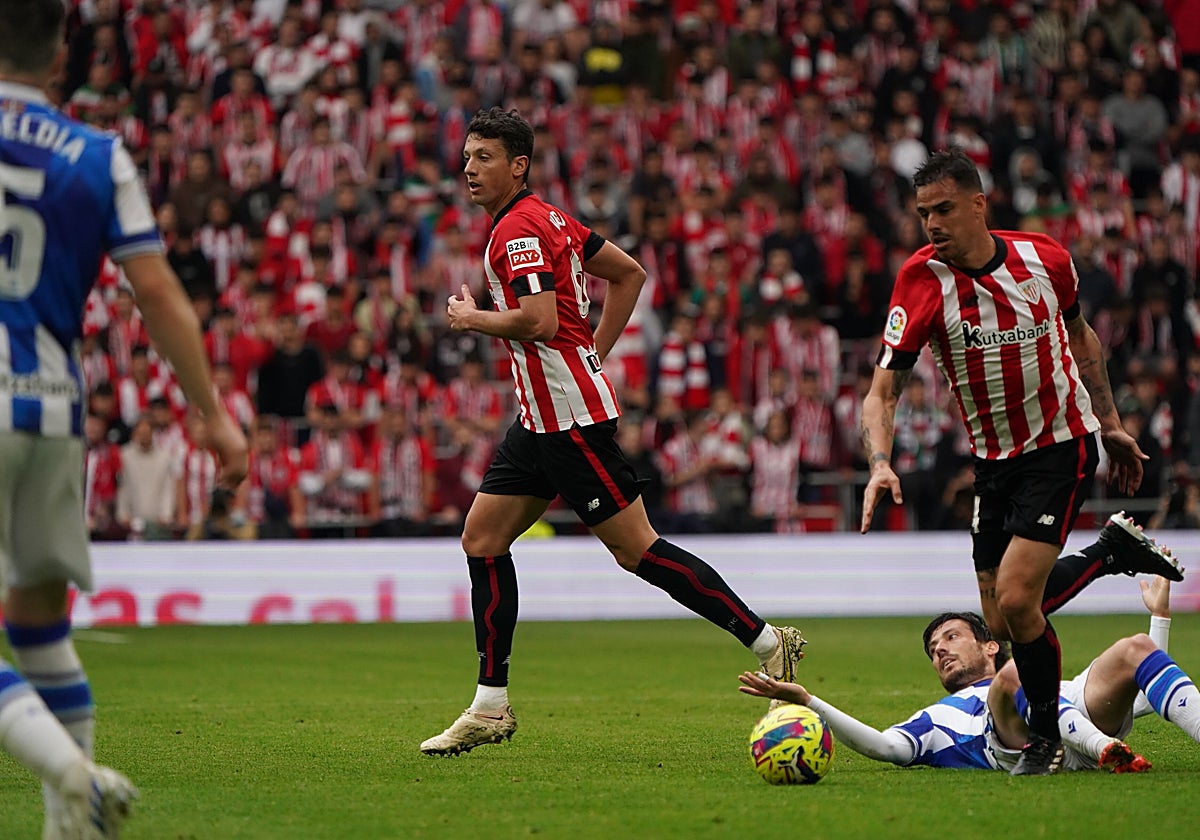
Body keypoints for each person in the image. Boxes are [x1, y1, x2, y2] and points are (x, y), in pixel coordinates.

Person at [419, 108, 806, 756]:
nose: (468, 169)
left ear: (518, 165)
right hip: (540, 418)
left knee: (638, 551)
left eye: (482, 157)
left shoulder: (516, 231)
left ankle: (770, 641)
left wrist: (472, 318)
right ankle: (490, 706)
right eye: (466, 158)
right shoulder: (553, 218)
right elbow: (629, 274)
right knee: (482, 538)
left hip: (568, 422)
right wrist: (592, 352)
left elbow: (540, 322)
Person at [0, 3, 248, 837]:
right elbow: (157, 292)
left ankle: (74, 773)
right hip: (56, 416)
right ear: (63, 51)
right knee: (38, 627)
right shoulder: (99, 156)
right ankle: (71, 827)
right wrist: (211, 416)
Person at [858, 148, 1184, 775]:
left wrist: (1109, 423)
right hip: (992, 460)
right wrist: (879, 460)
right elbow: (883, 390)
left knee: (1015, 597)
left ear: (979, 205)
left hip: (1059, 445)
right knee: (996, 619)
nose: (932, 225)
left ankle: (1044, 738)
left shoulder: (1045, 260)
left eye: (945, 210)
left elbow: (1082, 338)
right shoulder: (920, 280)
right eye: (924, 213)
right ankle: (1108, 555)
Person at [738, 576, 1200, 773]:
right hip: (1015, 741)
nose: (940, 650)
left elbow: (1142, 698)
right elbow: (884, 747)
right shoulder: (936, 718)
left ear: (988, 644)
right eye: (934, 650)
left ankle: (1100, 746)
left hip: (1072, 711)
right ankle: (1105, 751)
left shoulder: (1038, 671)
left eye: (952, 638)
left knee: (1135, 648)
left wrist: (1159, 618)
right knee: (1016, 677)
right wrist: (808, 701)